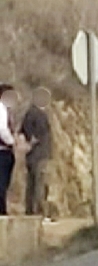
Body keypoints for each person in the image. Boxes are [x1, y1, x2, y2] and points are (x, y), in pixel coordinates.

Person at [21, 87, 52, 219]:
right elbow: (38, 135)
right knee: (40, 184)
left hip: (31, 155)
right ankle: (39, 213)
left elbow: (24, 132)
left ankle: (29, 211)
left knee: (31, 184)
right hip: (39, 154)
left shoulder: (28, 114)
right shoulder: (39, 115)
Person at [0, 84, 17, 215]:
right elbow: (2, 130)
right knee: (2, 182)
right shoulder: (1, 109)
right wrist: (12, 142)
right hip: (2, 150)